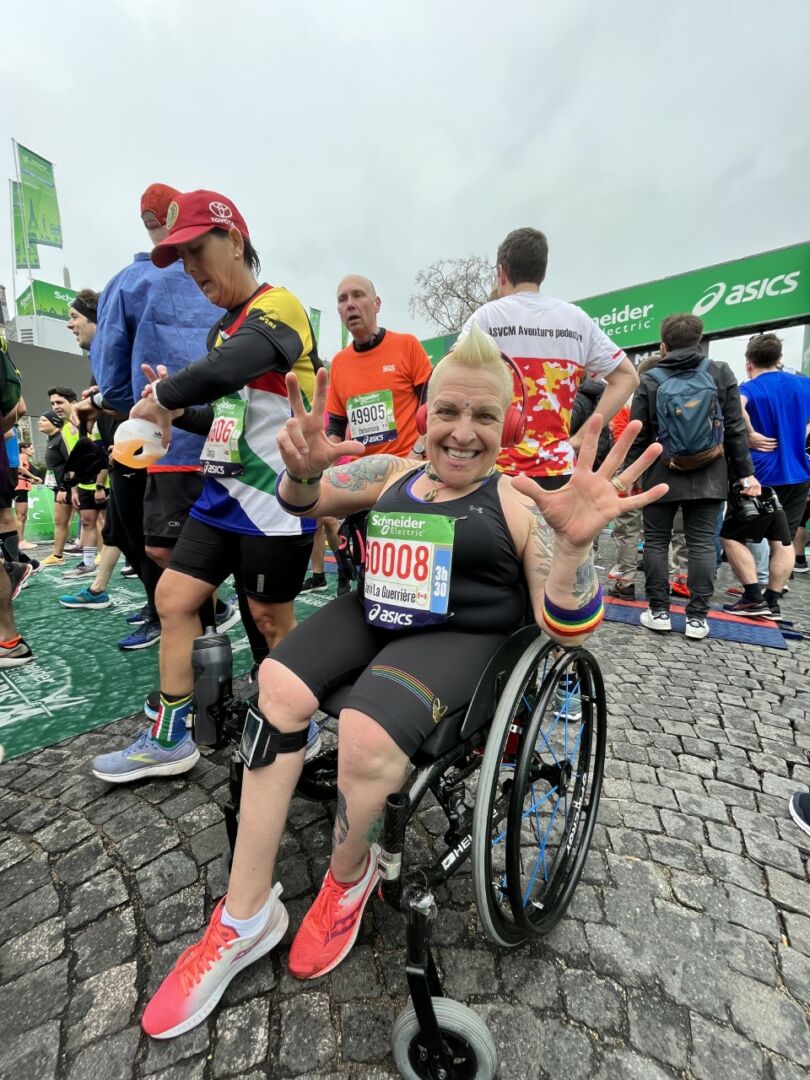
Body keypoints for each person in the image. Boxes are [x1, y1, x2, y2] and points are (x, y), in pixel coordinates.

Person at [140, 325, 668, 1039]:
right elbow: (306, 502)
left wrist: (573, 552)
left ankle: (348, 878)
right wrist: (299, 471)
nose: (462, 430)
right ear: (428, 414)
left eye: (484, 416)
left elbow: (564, 623)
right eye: (449, 410)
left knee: (363, 729)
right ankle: (243, 915)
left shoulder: (517, 501)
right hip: (376, 612)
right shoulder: (387, 473)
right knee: (277, 687)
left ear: (507, 423)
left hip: (463, 635)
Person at [91, 189, 320, 783]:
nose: (189, 269)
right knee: (172, 599)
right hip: (221, 498)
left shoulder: (281, 308)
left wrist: (163, 395)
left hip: (276, 501)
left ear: (235, 241)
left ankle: (300, 725)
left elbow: (237, 364)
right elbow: (225, 414)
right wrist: (173, 412)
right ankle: (172, 737)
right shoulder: (222, 332)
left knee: (269, 619)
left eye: (195, 250)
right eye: (179, 258)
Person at [71, 184, 230, 649]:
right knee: (183, 542)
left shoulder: (133, 281)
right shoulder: (226, 284)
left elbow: (114, 376)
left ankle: (191, 638)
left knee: (163, 546)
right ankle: (194, 631)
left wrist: (109, 398)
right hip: (221, 436)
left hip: (162, 442)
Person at [460, 227, 639, 489]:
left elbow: (450, 377)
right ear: (542, 272)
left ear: (502, 273)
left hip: (494, 469)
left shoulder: (488, 316)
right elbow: (627, 378)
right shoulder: (576, 319)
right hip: (557, 471)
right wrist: (584, 435)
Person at [627, 313, 758, 640]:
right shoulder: (720, 372)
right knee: (702, 543)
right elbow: (734, 428)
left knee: (657, 540)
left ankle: (658, 611)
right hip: (710, 472)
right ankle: (697, 619)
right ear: (699, 339)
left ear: (664, 344)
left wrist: (629, 475)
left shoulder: (650, 379)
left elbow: (638, 434)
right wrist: (745, 474)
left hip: (661, 472)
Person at [721, 333, 810, 619]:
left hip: (762, 476)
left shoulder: (750, 387)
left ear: (749, 363)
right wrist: (798, 436)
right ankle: (772, 601)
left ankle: (752, 597)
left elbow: (737, 407)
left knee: (730, 536)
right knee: (783, 540)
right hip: (798, 473)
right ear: (779, 358)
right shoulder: (803, 384)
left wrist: (749, 434)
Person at [40, 386, 79, 566]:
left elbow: (71, 462)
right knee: (60, 521)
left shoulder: (65, 435)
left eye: (59, 402)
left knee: (93, 520)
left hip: (71, 486)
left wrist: (66, 487)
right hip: (61, 488)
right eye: (52, 403)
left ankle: (100, 554)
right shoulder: (54, 439)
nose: (40, 423)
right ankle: (57, 556)